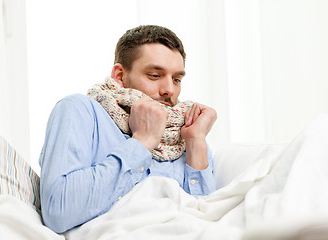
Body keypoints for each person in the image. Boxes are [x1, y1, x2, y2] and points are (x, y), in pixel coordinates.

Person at [39, 25, 218, 233]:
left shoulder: (185, 135)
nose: (169, 90)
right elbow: (58, 212)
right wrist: (142, 142)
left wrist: (196, 143)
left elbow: (207, 221)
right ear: (119, 76)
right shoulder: (79, 111)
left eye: (177, 79)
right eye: (154, 75)